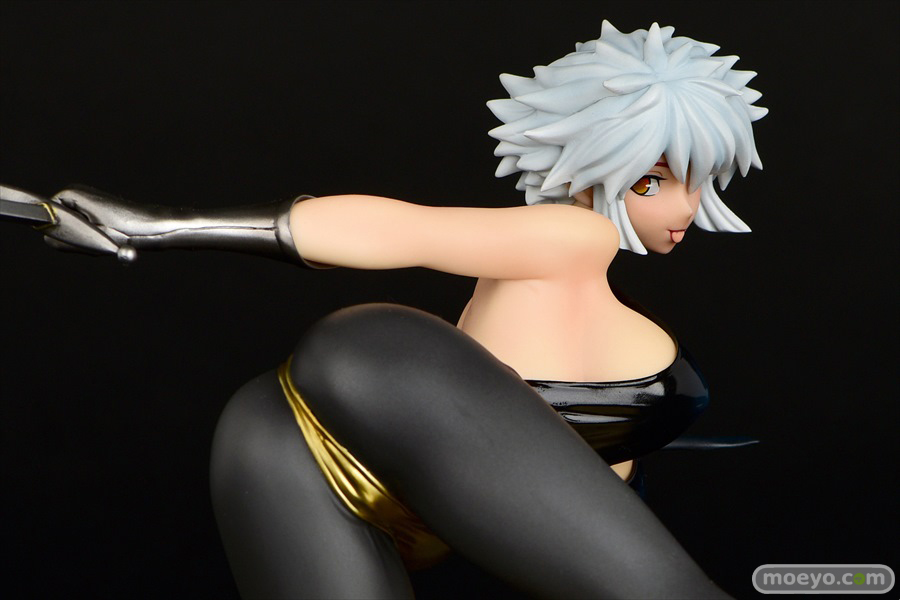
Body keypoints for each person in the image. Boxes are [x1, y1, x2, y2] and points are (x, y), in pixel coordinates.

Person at [10, 20, 766, 599]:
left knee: (267, 415)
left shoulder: (567, 278)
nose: (685, 208)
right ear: (595, 168)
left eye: (698, 181)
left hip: (282, 444)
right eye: (653, 181)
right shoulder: (574, 235)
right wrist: (159, 225)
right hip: (372, 376)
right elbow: (404, 230)